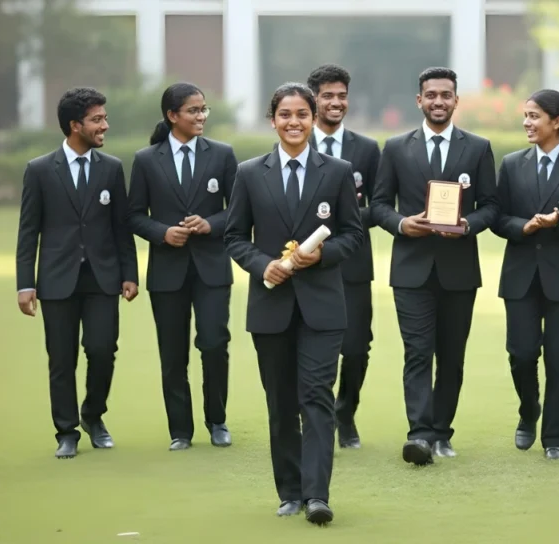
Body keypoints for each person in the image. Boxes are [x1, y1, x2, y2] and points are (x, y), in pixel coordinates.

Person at [224, 82, 363, 524]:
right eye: (285, 114)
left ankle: (317, 495)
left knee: (317, 397)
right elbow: (232, 237)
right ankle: (289, 491)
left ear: (313, 117)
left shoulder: (337, 171)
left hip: (323, 307)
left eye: (302, 114)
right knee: (281, 402)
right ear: (273, 120)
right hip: (271, 307)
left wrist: (323, 253)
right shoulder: (249, 173)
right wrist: (264, 265)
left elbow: (353, 235)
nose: (294, 122)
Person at [369, 67, 499, 466]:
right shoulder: (395, 147)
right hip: (411, 269)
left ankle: (443, 432)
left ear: (456, 100)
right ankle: (420, 435)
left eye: (446, 95)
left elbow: (491, 206)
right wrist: (402, 224)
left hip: (459, 270)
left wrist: (467, 225)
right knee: (417, 353)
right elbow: (377, 205)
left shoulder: (477, 147)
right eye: (431, 95)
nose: (438, 101)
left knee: (452, 356)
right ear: (419, 100)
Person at [15, 87, 139, 459]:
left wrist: (129, 273)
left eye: (104, 117)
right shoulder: (39, 170)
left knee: (103, 350)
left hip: (103, 278)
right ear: (75, 125)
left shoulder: (112, 168)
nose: (105, 125)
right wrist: (26, 284)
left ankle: (93, 416)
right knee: (61, 357)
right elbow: (28, 232)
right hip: (56, 280)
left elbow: (121, 227)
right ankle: (66, 431)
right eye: (97, 119)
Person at [490, 89, 559, 460]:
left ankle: (553, 438)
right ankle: (528, 411)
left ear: (557, 122)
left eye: (534, 116)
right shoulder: (510, 164)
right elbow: (497, 217)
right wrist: (522, 227)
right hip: (520, 277)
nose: (527, 123)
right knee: (521, 355)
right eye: (525, 116)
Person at [126, 82, 238, 451]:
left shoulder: (222, 155)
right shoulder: (146, 160)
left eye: (204, 109)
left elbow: (238, 210)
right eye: (193, 110)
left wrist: (211, 225)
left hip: (212, 269)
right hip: (168, 271)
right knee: (172, 353)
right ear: (172, 116)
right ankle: (180, 431)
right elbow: (133, 215)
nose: (201, 116)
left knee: (214, 343)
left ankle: (217, 420)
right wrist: (162, 233)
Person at [306, 64, 381, 449]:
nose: (336, 103)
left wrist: (343, 218)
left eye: (342, 96)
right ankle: (312, 415)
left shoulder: (366, 150)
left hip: (352, 262)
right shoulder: (297, 142)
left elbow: (380, 205)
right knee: (310, 346)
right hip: (305, 263)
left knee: (355, 347)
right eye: (328, 96)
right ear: (313, 99)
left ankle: (345, 411)